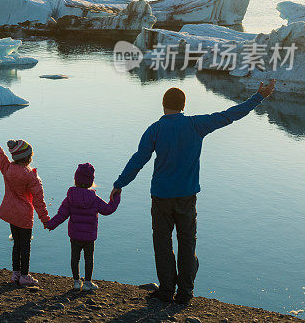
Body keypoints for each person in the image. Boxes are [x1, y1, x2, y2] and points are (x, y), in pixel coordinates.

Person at [111, 80, 276, 305]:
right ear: (184, 105)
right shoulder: (196, 125)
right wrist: (259, 97)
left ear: (163, 105)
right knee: (187, 243)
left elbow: (139, 159)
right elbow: (230, 115)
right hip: (187, 197)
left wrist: (120, 184)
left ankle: (166, 290)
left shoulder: (155, 130)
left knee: (163, 243)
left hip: (161, 197)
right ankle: (185, 293)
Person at [0, 122, 50, 286]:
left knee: (16, 244)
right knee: (26, 246)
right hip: (24, 216)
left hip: (11, 214)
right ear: (28, 157)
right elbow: (38, 200)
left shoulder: (6, 167)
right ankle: (24, 276)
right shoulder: (31, 177)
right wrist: (45, 220)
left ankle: (16, 274)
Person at [46, 163, 120, 291]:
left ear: (75, 179)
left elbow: (61, 215)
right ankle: (87, 283)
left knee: (75, 257)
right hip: (89, 236)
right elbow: (108, 210)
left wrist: (50, 224)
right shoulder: (95, 199)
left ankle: (75, 281)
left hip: (74, 235)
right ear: (91, 181)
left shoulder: (70, 197)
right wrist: (116, 196)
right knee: (88, 259)